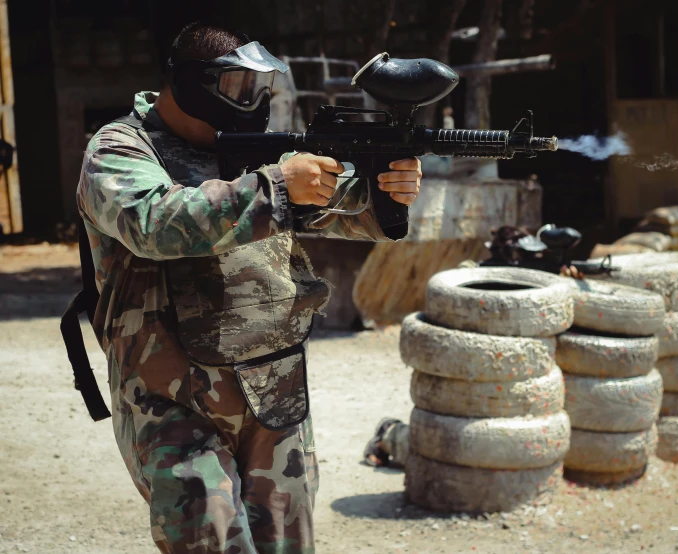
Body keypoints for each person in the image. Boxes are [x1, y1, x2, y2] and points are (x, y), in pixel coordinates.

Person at [75, 22, 422, 554]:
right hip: (173, 400)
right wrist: (278, 186)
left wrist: (381, 193)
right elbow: (151, 222)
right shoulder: (120, 148)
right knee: (210, 542)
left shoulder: (247, 151)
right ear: (192, 83)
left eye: (258, 89)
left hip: (273, 387)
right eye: (236, 87)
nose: (250, 102)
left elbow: (334, 210)